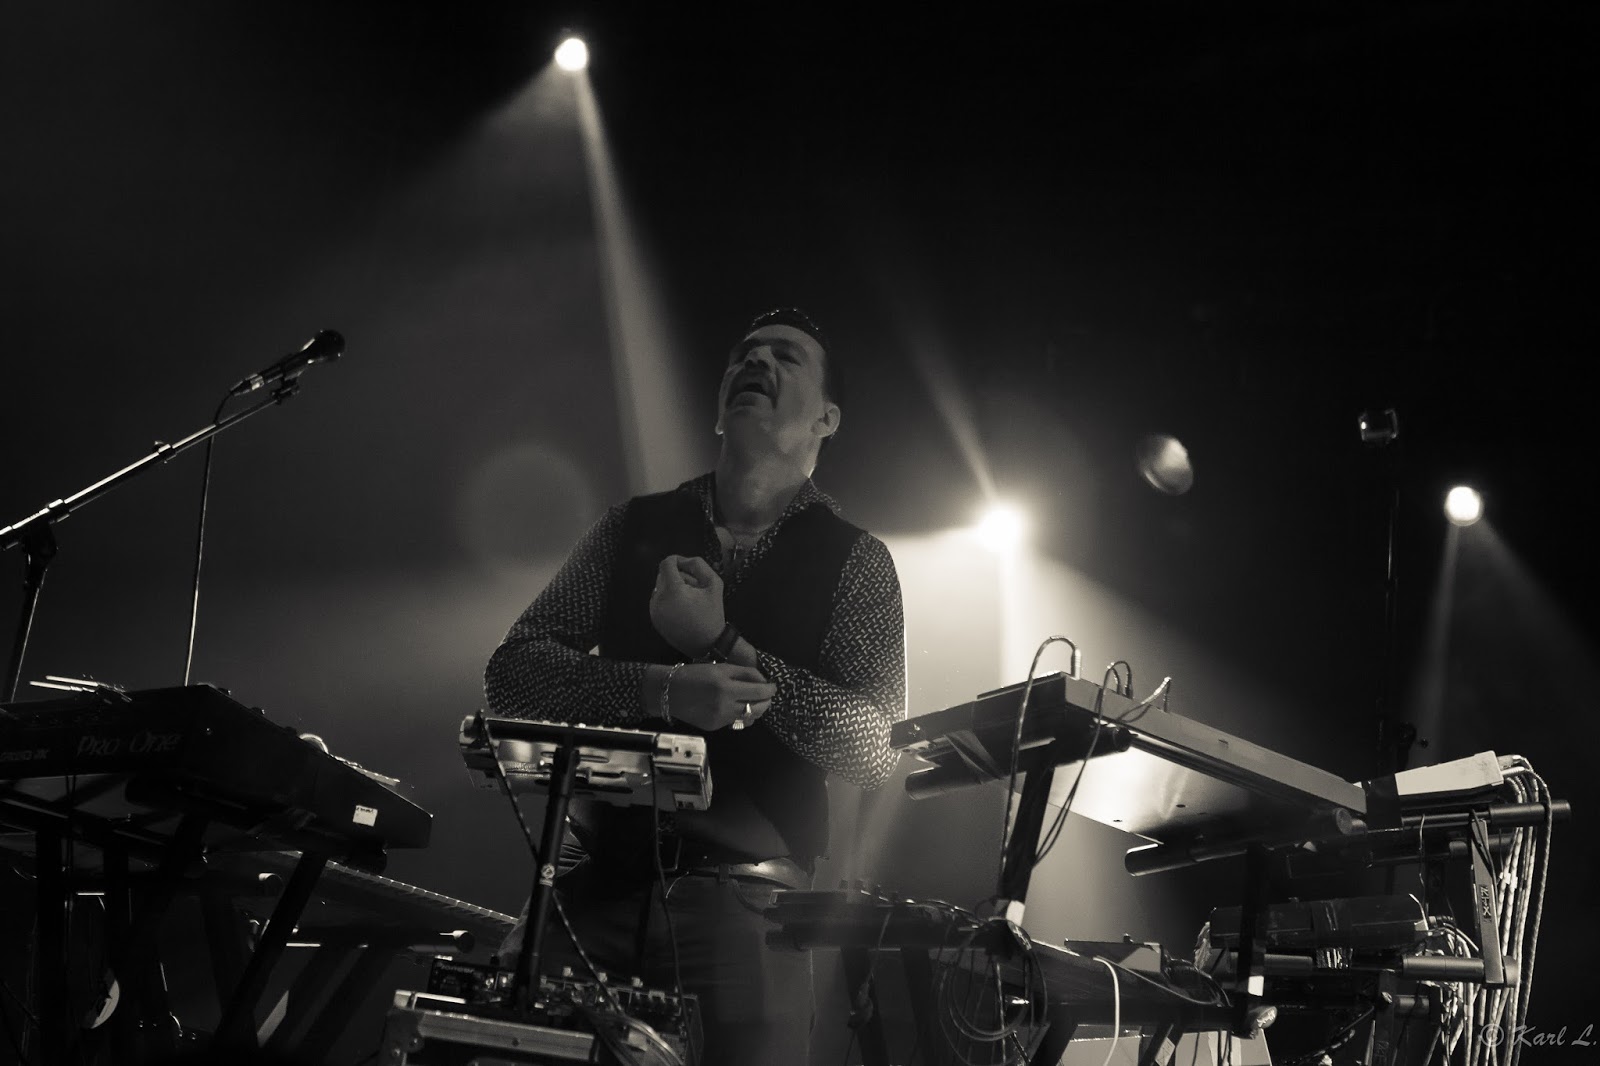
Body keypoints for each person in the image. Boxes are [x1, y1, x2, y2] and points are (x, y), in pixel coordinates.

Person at [483, 307, 907, 1065]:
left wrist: (724, 646)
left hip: (750, 905)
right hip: (591, 888)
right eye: (745, 354)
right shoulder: (630, 527)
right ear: (718, 407)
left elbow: (875, 748)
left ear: (828, 418)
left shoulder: (858, 560)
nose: (757, 363)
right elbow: (511, 675)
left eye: (786, 358)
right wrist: (661, 688)